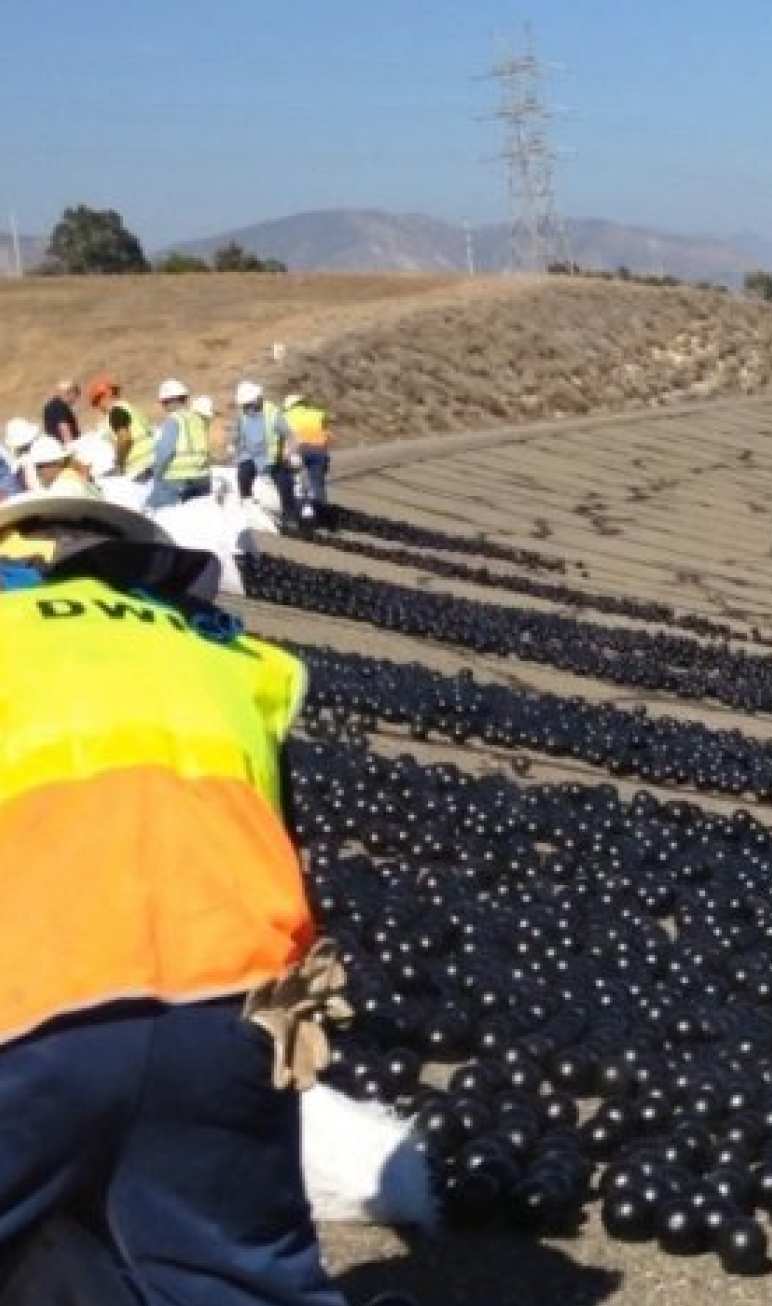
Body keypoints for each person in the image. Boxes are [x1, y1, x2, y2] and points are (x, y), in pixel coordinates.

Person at [0, 490, 345, 1306]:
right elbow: (283, 845)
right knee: (225, 1272)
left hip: (30, 1010)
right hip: (226, 1011)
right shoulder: (233, 659)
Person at [146, 378, 213, 508]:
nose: (163, 407)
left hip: (178, 481)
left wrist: (157, 473)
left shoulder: (174, 420)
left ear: (168, 401)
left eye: (164, 403)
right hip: (202, 479)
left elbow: (164, 450)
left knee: (162, 512)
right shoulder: (198, 419)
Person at [233, 382, 298, 513]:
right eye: (245, 405)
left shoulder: (273, 413)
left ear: (257, 399)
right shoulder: (242, 415)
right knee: (243, 474)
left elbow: (290, 435)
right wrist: (234, 448)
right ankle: (247, 502)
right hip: (250, 456)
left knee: (285, 483)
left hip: (272, 458)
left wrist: (290, 452)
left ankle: (290, 514)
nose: (247, 408)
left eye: (250, 404)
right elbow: (237, 435)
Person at [284, 394, 331, 523]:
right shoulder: (319, 414)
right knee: (317, 483)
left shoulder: (285, 416)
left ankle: (298, 511)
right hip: (319, 451)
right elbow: (327, 434)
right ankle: (321, 514)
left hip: (298, 450)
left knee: (296, 482)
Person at [87, 376, 148, 471]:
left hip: (140, 467)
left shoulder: (115, 411)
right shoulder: (129, 408)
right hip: (153, 460)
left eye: (96, 403)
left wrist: (119, 462)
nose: (98, 408)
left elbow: (125, 438)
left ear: (102, 398)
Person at [19, 435, 94, 496]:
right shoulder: (68, 476)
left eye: (39, 466)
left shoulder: (65, 485)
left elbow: (48, 506)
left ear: (54, 464)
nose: (38, 472)